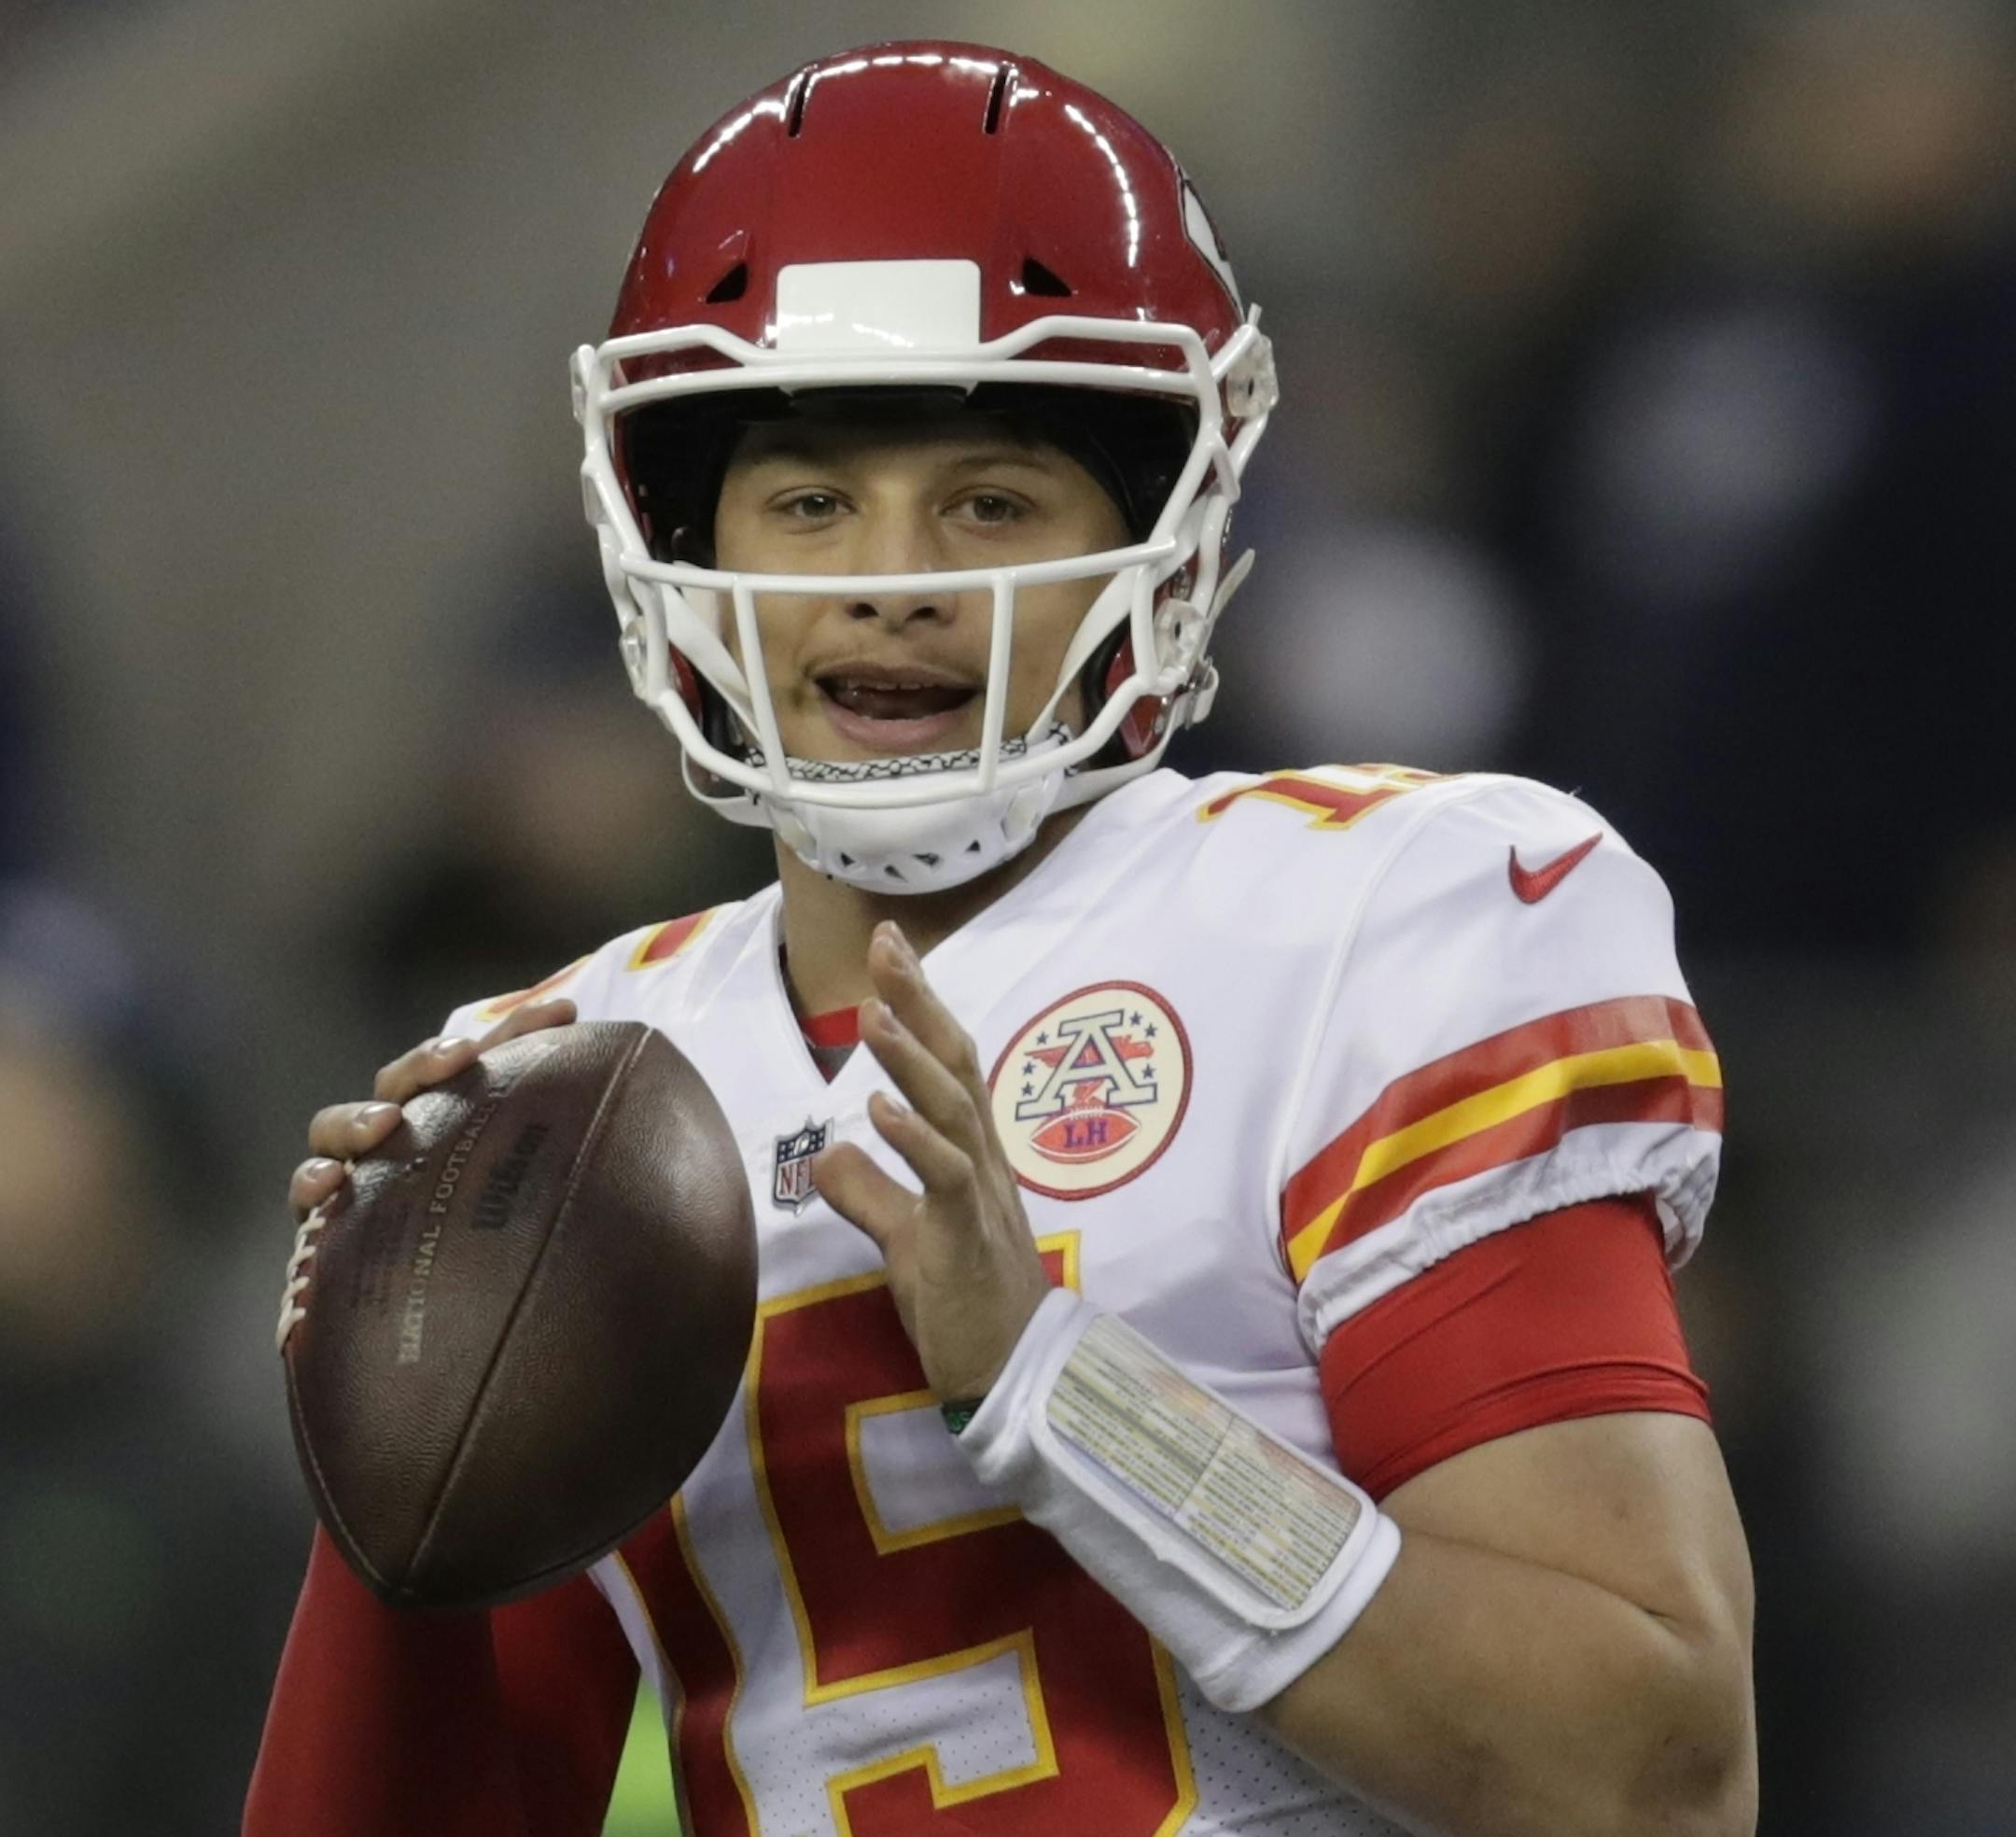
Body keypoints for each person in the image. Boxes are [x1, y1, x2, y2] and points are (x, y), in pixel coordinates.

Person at [245, 42, 1756, 1837]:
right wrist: (393, 1458)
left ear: (1159, 536)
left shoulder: (1370, 927)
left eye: (991, 501)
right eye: (811, 503)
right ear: (677, 543)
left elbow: (1649, 1775)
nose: (893, 578)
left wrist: (1056, 1390)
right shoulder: (563, 1092)